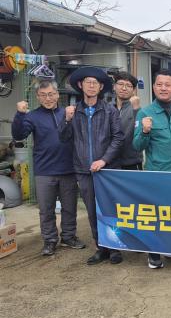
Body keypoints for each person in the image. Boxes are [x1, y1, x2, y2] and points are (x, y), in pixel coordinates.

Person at [12, 80, 85, 256]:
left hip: (68, 168)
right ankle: (50, 240)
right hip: (44, 170)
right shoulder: (32, 116)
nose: (48, 98)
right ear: (38, 97)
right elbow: (19, 135)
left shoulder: (68, 113)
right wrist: (20, 114)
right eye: (43, 95)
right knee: (46, 210)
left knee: (70, 207)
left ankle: (68, 237)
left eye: (51, 94)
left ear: (58, 94)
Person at [59, 67, 123, 265]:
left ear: (101, 87)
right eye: (88, 82)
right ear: (81, 85)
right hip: (83, 170)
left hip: (107, 170)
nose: (92, 86)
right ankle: (100, 247)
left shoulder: (110, 111)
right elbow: (64, 138)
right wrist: (66, 120)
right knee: (92, 211)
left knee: (110, 209)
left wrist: (104, 160)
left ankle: (115, 247)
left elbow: (118, 138)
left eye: (96, 83)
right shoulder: (73, 112)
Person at [133, 69, 171, 269]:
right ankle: (154, 254)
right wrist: (145, 130)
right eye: (159, 84)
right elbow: (137, 146)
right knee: (157, 214)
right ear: (153, 87)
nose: (163, 88)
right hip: (157, 174)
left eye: (167, 85)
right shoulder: (145, 113)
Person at [112, 72, 143, 170]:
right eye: (120, 84)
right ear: (114, 87)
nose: (124, 88)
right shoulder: (108, 109)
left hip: (132, 163)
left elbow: (141, 131)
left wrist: (136, 109)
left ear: (133, 90)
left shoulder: (137, 109)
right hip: (110, 162)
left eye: (128, 86)